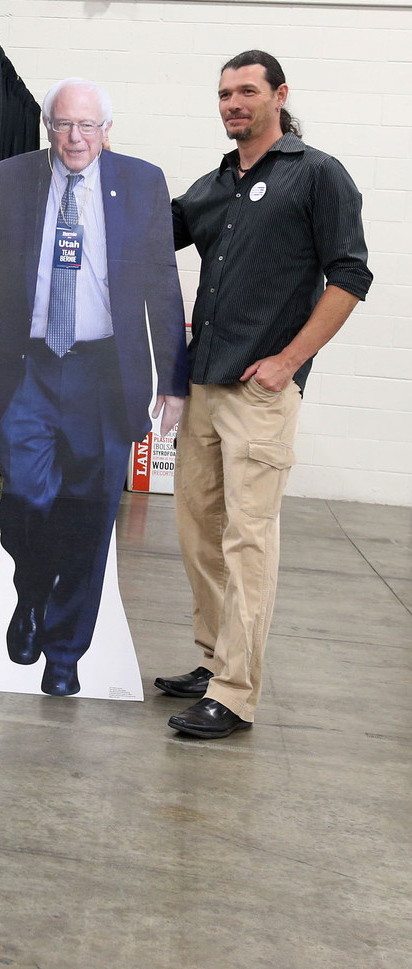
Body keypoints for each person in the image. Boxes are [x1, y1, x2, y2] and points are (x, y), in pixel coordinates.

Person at [159, 51, 372, 738]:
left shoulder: (316, 174)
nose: (233, 103)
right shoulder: (216, 183)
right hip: (203, 385)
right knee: (198, 536)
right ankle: (215, 658)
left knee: (248, 540)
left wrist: (290, 359)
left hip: (258, 393)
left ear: (279, 95)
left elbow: (350, 276)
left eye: (247, 90)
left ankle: (236, 691)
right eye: (223, 93)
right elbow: (157, 233)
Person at [0, 78, 188, 697]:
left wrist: (174, 379)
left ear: (107, 131)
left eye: (87, 126)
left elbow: (164, 284)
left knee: (90, 520)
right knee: (27, 498)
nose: (75, 138)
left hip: (104, 373)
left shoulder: (141, 182)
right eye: (63, 125)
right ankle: (31, 591)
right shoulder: (12, 177)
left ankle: (64, 656)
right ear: (47, 127)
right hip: (29, 365)